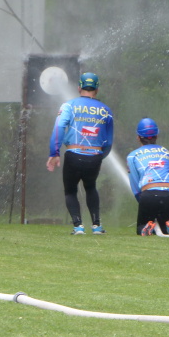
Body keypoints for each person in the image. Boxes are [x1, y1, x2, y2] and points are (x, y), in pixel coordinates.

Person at [46, 72, 114, 235]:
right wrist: (100, 157)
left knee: (70, 191)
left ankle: (78, 226)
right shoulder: (106, 110)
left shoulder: (68, 106)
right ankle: (96, 226)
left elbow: (59, 128)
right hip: (95, 156)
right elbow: (108, 141)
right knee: (91, 187)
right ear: (97, 89)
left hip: (74, 154)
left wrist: (54, 152)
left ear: (79, 88)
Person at [126, 118, 169, 236]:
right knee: (164, 228)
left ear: (138, 137)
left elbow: (135, 184)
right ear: (157, 135)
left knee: (141, 227)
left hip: (149, 195)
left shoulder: (132, 156)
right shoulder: (165, 151)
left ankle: (148, 226)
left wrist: (143, 201)